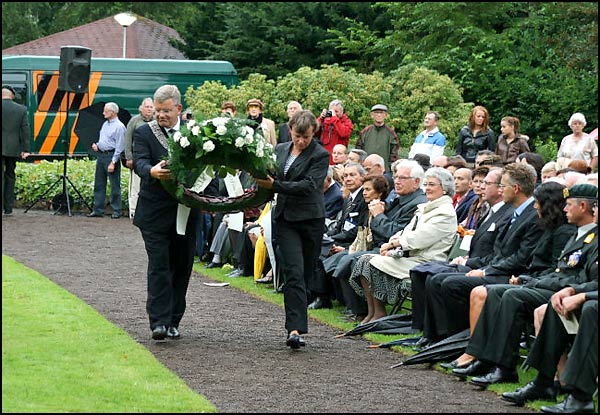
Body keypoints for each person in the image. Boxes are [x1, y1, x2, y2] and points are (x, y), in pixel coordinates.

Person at [453, 184, 597, 388]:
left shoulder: (575, 233)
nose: (565, 209)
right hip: (556, 287)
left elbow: (575, 278)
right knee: (496, 293)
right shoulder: (577, 233)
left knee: (512, 296)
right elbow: (561, 271)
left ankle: (506, 368)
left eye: (569, 204)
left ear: (583, 206)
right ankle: (484, 358)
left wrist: (532, 281)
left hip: (565, 292)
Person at [132, 84, 219, 341]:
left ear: (179, 109)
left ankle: (173, 320)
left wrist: (210, 199)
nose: (161, 115)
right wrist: (151, 171)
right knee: (159, 265)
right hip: (154, 212)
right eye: (158, 111)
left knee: (181, 266)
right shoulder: (143, 133)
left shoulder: (194, 134)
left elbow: (206, 169)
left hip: (185, 212)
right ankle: (158, 321)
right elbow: (139, 161)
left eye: (166, 111)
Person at [254, 109, 330, 349]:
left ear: (313, 134)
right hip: (285, 219)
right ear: (290, 130)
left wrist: (276, 185)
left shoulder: (320, 155)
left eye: (306, 137)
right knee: (294, 272)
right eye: (298, 136)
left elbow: (309, 186)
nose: (301, 141)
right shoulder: (280, 149)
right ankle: (294, 330)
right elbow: (269, 175)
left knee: (306, 272)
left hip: (310, 219)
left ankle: (299, 319)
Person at [348, 167, 457, 323]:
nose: (427, 188)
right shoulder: (426, 208)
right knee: (365, 260)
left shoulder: (445, 212)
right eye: (426, 184)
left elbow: (419, 238)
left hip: (427, 263)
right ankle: (372, 312)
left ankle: (379, 313)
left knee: (369, 262)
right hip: (410, 258)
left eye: (432, 184)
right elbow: (405, 231)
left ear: (445, 189)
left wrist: (393, 244)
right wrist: (390, 244)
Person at [87, 102, 126, 219]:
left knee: (114, 185)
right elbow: (104, 140)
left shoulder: (119, 127)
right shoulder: (105, 124)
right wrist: (97, 146)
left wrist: (113, 162)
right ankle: (98, 209)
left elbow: (120, 146)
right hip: (101, 155)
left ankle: (117, 210)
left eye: (106, 111)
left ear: (113, 113)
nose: (103, 113)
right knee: (99, 183)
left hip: (111, 156)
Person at [123, 97, 154, 220]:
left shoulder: (156, 121)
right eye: (147, 107)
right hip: (137, 158)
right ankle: (133, 211)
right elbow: (127, 140)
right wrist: (129, 157)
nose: (149, 109)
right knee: (135, 186)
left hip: (151, 160)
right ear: (141, 108)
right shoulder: (134, 121)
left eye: (151, 107)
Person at [2, 85, 30, 216]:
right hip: (13, 148)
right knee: (10, 175)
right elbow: (25, 130)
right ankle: (8, 208)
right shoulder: (21, 109)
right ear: (11, 95)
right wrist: (26, 149)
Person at [355, 104, 399, 172]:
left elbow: (394, 153)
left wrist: (390, 169)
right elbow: (358, 149)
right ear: (372, 115)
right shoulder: (365, 131)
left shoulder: (391, 133)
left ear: (386, 115)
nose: (379, 115)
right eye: (376, 112)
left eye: (381, 113)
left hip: (384, 170)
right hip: (366, 169)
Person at [316, 99, 353, 164]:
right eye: (332, 111)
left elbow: (344, 133)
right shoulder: (325, 120)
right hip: (324, 158)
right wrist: (320, 119)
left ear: (342, 112)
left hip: (339, 160)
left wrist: (334, 118)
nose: (334, 114)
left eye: (336, 111)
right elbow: (313, 133)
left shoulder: (347, 122)